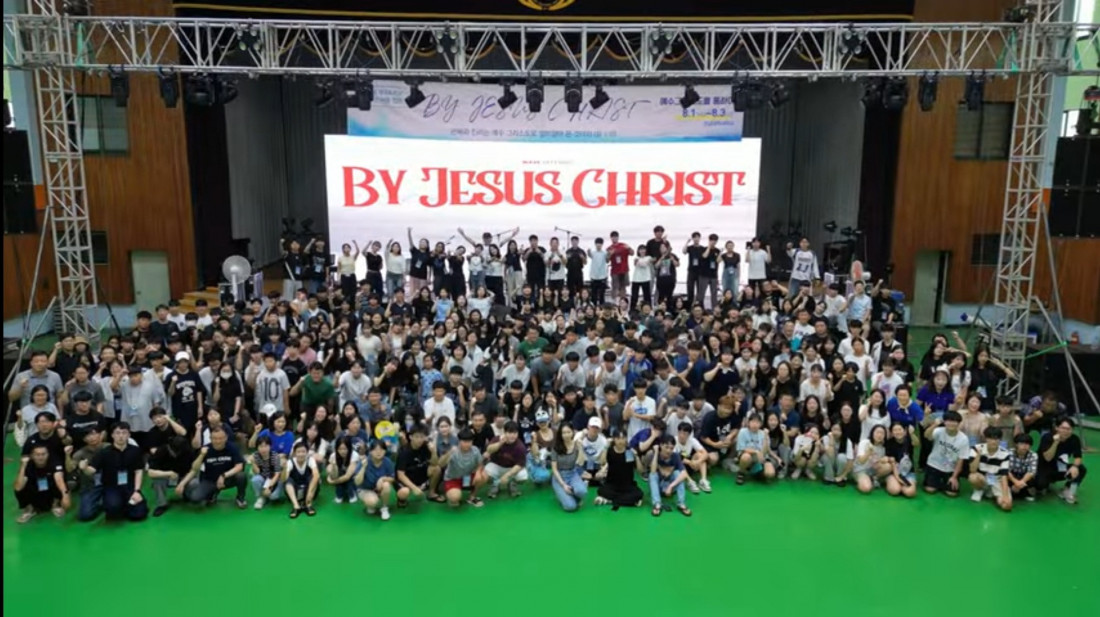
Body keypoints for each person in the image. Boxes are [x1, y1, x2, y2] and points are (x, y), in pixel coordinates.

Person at [76, 421, 148, 522]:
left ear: (129, 435)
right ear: (112, 435)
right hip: (111, 487)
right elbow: (91, 471)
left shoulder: (135, 450)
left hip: (129, 486)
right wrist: (84, 468)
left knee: (139, 515)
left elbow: (138, 472)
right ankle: (113, 502)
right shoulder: (104, 452)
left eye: (124, 433)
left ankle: (127, 504)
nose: (121, 436)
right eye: (117, 433)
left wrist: (137, 491)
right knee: (113, 511)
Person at [180, 426, 248, 509]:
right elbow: (194, 468)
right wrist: (202, 455)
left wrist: (223, 475)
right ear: (210, 439)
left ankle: (240, 498)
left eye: (220, 438)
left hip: (227, 479)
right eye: (215, 438)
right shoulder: (205, 449)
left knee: (241, 476)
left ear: (226, 438)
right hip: (210, 480)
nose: (218, 441)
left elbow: (239, 466)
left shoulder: (232, 447)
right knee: (195, 498)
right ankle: (213, 493)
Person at [1036, 417, 1087, 505]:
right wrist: (1056, 442)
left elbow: (1078, 457)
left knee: (1081, 469)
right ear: (1057, 428)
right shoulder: (1047, 437)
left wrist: (1075, 466)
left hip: (1060, 467)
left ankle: (1067, 489)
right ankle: (1044, 483)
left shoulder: (1074, 439)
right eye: (1063, 428)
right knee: (1040, 485)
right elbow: (1048, 458)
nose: (1066, 431)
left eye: (1069, 429)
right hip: (1043, 467)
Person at [14, 443, 69, 523]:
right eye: (37, 455)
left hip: (50, 492)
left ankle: (55, 505)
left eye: (43, 454)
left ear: (48, 454)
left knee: (61, 482)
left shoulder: (54, 462)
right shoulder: (27, 465)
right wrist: (23, 465)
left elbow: (59, 480)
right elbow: (18, 487)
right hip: (35, 492)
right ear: (32, 456)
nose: (40, 457)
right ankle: (29, 510)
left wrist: (65, 495)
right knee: (20, 486)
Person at [923, 410, 971, 498]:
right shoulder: (938, 431)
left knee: (952, 493)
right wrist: (934, 425)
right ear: (944, 422)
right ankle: (938, 482)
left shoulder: (963, 439)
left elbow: (961, 460)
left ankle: (942, 483)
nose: (951, 424)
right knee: (930, 490)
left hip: (950, 469)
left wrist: (954, 477)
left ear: (959, 423)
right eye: (948, 421)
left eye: (954, 421)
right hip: (934, 465)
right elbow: (926, 435)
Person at [147, 435, 194, 516]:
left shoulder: (188, 451)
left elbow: (193, 471)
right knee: (157, 480)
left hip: (182, 477)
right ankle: (162, 504)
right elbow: (150, 473)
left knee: (194, 482)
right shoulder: (161, 451)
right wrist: (169, 473)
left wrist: (182, 484)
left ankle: (186, 495)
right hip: (166, 477)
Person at [439, 428, 487, 508]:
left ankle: (472, 497)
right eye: (464, 442)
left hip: (466, 478)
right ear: (459, 441)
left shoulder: (475, 450)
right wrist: (449, 452)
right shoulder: (453, 451)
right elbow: (440, 464)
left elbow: (480, 464)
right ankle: (451, 492)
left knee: (484, 475)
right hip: (453, 479)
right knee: (455, 498)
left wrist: (478, 472)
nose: (467, 444)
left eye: (469, 441)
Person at [968, 426, 1013, 512]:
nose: (994, 441)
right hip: (982, 478)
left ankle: (991, 492)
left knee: (1007, 506)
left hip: (997, 480)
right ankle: (979, 489)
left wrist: (1005, 496)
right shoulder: (976, 448)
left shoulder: (1005, 454)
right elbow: (972, 470)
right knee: (973, 477)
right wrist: (978, 455)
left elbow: (1004, 476)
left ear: (1000, 440)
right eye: (991, 438)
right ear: (986, 438)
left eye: (996, 439)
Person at [649, 434, 692, 517]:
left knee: (678, 473)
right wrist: (656, 452)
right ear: (661, 445)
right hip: (658, 487)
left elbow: (684, 474)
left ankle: (681, 503)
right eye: (666, 447)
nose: (669, 451)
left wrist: (671, 486)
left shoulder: (675, 456)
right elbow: (653, 471)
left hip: (670, 487)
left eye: (671, 448)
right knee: (652, 475)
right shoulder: (655, 455)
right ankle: (657, 504)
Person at [549, 422, 588, 512]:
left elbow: (581, 463)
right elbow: (554, 469)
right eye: (564, 433)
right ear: (560, 434)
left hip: (572, 473)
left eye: (568, 432)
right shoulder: (555, 447)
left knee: (582, 491)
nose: (566, 435)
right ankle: (562, 494)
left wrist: (580, 448)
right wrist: (563, 485)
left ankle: (572, 492)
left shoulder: (576, 445)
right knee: (570, 507)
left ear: (572, 432)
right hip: (559, 476)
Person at [484, 421, 528, 499]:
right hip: (497, 466)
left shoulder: (520, 446)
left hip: (512, 468)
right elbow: (489, 450)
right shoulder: (497, 438)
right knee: (485, 474)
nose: (512, 436)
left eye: (515, 433)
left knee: (523, 476)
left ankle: (512, 483)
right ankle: (495, 484)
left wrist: (507, 475)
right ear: (504, 432)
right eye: (510, 433)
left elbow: (520, 464)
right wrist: (500, 443)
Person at [734, 413, 775, 484]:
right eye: (752, 421)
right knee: (746, 457)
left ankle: (755, 471)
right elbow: (742, 448)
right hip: (747, 455)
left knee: (770, 474)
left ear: (761, 424)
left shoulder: (763, 433)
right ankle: (741, 473)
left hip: (760, 458)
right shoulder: (743, 431)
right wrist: (756, 451)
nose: (755, 424)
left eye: (757, 422)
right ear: (748, 422)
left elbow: (764, 452)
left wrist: (765, 436)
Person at [250, 435, 285, 510]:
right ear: (257, 447)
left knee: (273, 497)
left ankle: (268, 495)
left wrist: (268, 487)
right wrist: (253, 462)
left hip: (275, 480)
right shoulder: (256, 455)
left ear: (270, 446)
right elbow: (257, 472)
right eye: (261, 446)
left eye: (266, 446)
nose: (263, 449)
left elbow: (277, 474)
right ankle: (260, 498)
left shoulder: (275, 456)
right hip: (263, 477)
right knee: (255, 479)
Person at [853, 424, 891, 494]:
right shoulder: (864, 442)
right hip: (861, 470)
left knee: (888, 466)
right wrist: (868, 452)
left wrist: (882, 460)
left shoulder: (883, 447)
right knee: (866, 488)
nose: (879, 435)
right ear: (872, 433)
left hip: (873, 470)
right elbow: (861, 461)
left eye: (882, 433)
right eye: (877, 432)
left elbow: (877, 462)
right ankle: (862, 481)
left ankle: (874, 478)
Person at [883, 423, 917, 498]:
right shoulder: (889, 443)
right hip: (894, 472)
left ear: (905, 431)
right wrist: (898, 478)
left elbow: (917, 443)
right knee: (895, 490)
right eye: (895, 430)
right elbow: (892, 461)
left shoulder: (909, 440)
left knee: (910, 492)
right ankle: (894, 483)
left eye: (900, 429)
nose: (898, 432)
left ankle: (902, 486)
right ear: (891, 432)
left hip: (908, 472)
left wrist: (912, 434)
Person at [326, 435, 360, 505]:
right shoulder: (333, 456)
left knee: (350, 479)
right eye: (340, 449)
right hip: (341, 477)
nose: (342, 451)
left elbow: (347, 476)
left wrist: (332, 482)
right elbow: (333, 475)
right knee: (339, 474)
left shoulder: (354, 455)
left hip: (353, 478)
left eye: (345, 449)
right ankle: (339, 495)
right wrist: (334, 466)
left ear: (349, 448)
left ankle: (352, 494)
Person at [1006, 433, 1038, 503]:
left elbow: (1031, 472)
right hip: (1012, 476)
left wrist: (1020, 483)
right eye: (1022, 443)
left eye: (1027, 444)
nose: (1025, 446)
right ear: (1016, 444)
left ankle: (1025, 492)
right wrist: (1015, 482)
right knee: (1003, 476)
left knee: (1035, 479)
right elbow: (1007, 471)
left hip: (1024, 477)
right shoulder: (1008, 453)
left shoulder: (1033, 455)